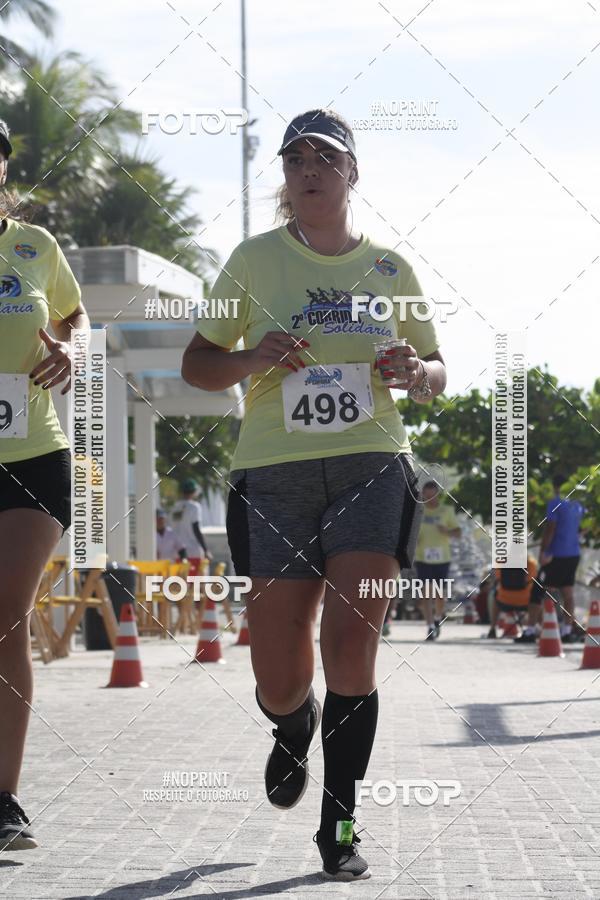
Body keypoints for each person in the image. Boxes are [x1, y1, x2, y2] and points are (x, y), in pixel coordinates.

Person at [181, 108, 447, 880]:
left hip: (371, 463)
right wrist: (249, 357)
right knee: (279, 673)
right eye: (296, 158)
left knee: (351, 648)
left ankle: (340, 825)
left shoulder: (391, 268)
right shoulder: (254, 261)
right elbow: (198, 364)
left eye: (326, 158)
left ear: (352, 172)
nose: (310, 170)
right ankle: (290, 724)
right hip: (273, 472)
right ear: (285, 177)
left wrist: (412, 372)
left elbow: (435, 372)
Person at [0, 119, 89, 851]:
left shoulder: (35, 246)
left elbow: (75, 314)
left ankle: (4, 800)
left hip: (31, 453)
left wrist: (71, 347)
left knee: (5, 617)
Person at [515, 474, 584, 644]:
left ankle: (530, 631)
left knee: (537, 591)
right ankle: (567, 631)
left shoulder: (555, 503)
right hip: (573, 554)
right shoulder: (578, 505)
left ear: (556, 487)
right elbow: (583, 528)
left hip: (556, 555)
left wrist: (543, 551)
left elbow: (550, 528)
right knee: (568, 593)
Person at [414, 480, 461, 641]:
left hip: (442, 558)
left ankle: (437, 618)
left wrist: (446, 531)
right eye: (427, 496)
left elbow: (458, 533)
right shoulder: (418, 510)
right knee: (426, 594)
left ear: (438, 494)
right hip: (422, 558)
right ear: (423, 495)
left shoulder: (446, 510)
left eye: (433, 496)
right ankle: (429, 626)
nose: (430, 499)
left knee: (440, 595)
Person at [486, 556, 537, 638]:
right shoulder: (531, 563)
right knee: (539, 597)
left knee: (494, 594)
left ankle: (492, 628)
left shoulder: (500, 562)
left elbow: (498, 579)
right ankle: (537, 627)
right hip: (526, 601)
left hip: (504, 601)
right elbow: (532, 579)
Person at [169, 478, 212, 574]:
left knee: (180, 586)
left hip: (177, 553)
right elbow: (196, 528)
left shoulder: (174, 508)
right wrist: (206, 550)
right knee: (194, 585)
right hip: (193, 552)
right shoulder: (195, 507)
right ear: (194, 492)